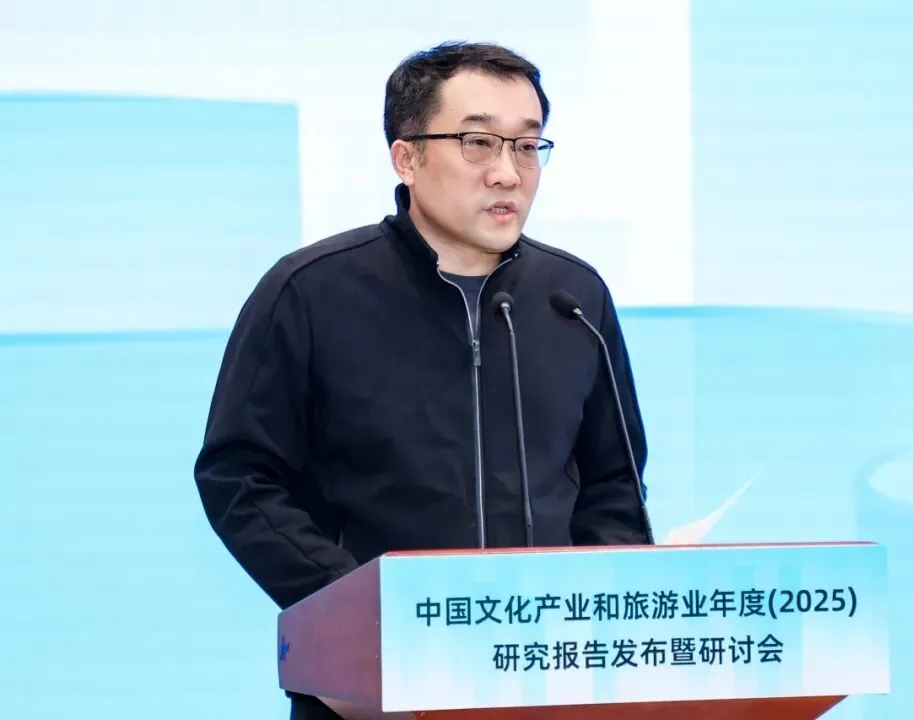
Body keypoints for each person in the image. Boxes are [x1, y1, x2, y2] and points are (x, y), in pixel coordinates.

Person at [193, 40, 652, 720]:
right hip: (369, 688)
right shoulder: (311, 292)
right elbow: (239, 477)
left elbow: (614, 484)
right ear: (406, 158)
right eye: (478, 143)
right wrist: (360, 608)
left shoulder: (575, 298)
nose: (508, 173)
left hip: (545, 681)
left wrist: (602, 615)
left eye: (527, 147)